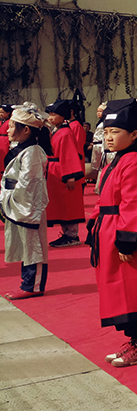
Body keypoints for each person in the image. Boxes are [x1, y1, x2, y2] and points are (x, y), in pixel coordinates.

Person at [90, 99, 137, 367]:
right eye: (106, 132)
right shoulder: (121, 158)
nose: (108, 137)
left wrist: (127, 241)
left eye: (115, 132)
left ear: (134, 134)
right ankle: (134, 341)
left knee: (136, 291)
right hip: (111, 230)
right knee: (122, 292)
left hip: (126, 235)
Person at [2, 103, 51, 300]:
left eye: (12, 126)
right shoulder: (23, 149)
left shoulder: (32, 152)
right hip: (18, 203)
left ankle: (33, 285)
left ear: (26, 130)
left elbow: (28, 185)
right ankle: (28, 282)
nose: (8, 129)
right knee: (27, 246)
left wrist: (7, 200)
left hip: (27, 206)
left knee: (33, 247)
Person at [45, 99, 86, 247]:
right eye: (49, 114)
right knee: (62, 204)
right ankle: (67, 233)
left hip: (63, 170)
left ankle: (72, 234)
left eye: (54, 114)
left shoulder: (65, 133)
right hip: (56, 169)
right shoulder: (58, 131)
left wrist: (70, 176)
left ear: (63, 116)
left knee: (68, 204)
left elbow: (68, 155)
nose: (50, 117)